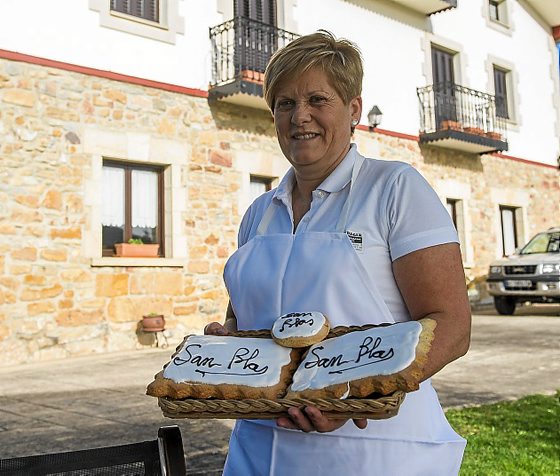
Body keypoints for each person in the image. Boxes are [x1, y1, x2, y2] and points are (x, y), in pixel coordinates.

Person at [205, 30, 471, 475]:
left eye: (317, 100)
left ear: (353, 110)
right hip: (260, 450)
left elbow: (452, 325)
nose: (300, 116)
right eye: (285, 104)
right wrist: (225, 345)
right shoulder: (259, 213)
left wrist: (355, 397)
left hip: (373, 453)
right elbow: (245, 320)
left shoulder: (394, 189)